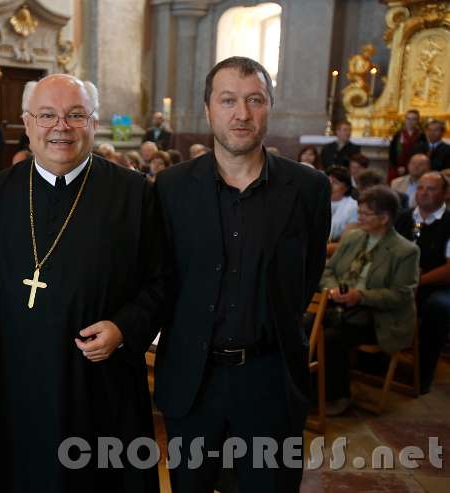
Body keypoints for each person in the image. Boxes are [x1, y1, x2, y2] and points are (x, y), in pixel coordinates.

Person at [0, 74, 164, 493]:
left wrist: (124, 328)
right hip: (14, 380)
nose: (60, 126)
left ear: (93, 123)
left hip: (96, 384)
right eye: (47, 115)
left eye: (75, 115)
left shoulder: (134, 194)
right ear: (27, 124)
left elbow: (162, 281)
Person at [154, 56, 331, 492]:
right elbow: (160, 277)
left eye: (255, 100)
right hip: (194, 379)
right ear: (209, 109)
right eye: (228, 100)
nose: (242, 113)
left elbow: (305, 277)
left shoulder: (308, 189)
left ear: (270, 106)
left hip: (270, 376)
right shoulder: (170, 188)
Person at [319, 186, 419, 415]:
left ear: (384, 218)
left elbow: (401, 295)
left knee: (331, 337)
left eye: (365, 214)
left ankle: (337, 396)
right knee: (304, 325)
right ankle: (311, 390)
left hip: (380, 317)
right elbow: (328, 270)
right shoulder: (353, 237)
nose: (359, 217)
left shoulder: (405, 251)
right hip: (341, 305)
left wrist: (361, 296)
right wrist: (334, 289)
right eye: (359, 212)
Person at [395, 172, 450, 394]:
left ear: (445, 194)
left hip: (437, 285)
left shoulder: (448, 222)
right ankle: (376, 362)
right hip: (402, 281)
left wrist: (417, 281)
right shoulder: (403, 217)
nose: (423, 193)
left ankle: (422, 374)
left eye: (431, 189)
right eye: (420, 188)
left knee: (438, 308)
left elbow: (449, 269)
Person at [389, 109, 428, 182]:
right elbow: (392, 152)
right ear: (405, 119)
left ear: (417, 121)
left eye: (413, 119)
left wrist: (410, 167)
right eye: (408, 119)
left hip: (415, 168)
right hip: (399, 168)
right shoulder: (398, 134)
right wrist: (398, 167)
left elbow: (423, 153)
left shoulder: (421, 136)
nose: (410, 122)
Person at [327, 166, 358, 243]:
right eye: (327, 181)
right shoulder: (318, 201)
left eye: (335, 182)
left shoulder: (353, 207)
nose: (329, 186)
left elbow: (345, 243)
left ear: (346, 187)